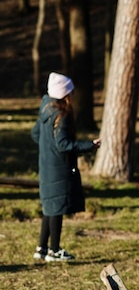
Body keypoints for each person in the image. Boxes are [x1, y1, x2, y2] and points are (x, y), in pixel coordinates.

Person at [31, 72, 101, 262]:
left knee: (50, 206)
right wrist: (90, 146)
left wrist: (47, 149)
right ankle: (54, 250)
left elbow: (35, 134)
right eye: (70, 92)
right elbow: (64, 145)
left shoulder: (45, 109)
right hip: (59, 168)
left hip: (46, 164)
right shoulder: (61, 116)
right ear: (64, 95)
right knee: (57, 207)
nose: (73, 96)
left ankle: (42, 248)